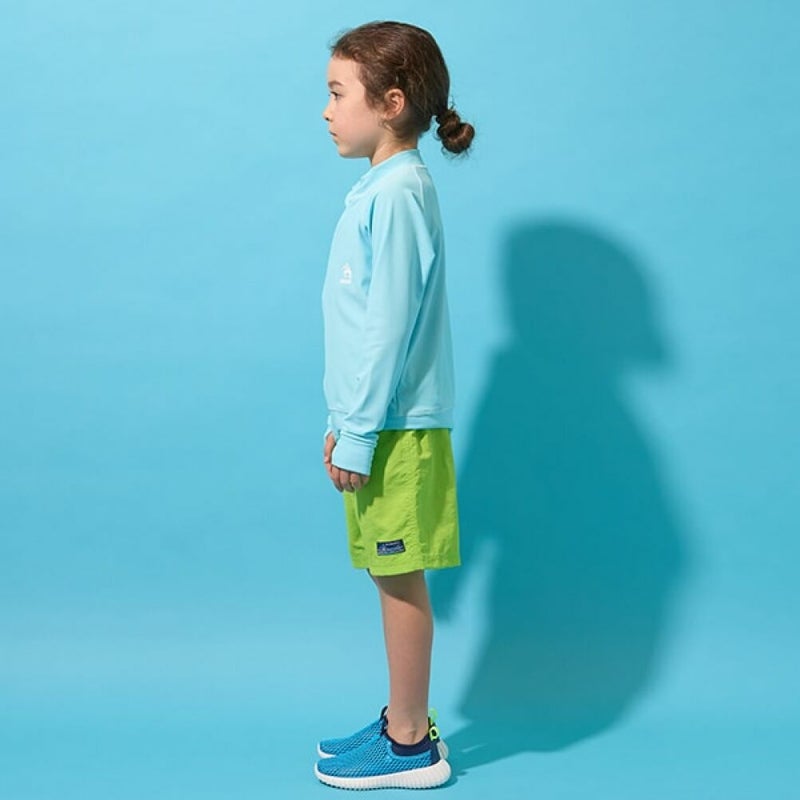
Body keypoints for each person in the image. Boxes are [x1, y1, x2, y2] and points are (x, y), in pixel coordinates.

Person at [313, 20, 475, 791]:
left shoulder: (402, 193)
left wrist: (359, 435)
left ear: (392, 103)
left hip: (397, 431)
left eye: (337, 93)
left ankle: (410, 745)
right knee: (389, 573)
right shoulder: (381, 189)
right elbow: (362, 332)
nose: (326, 111)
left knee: (398, 576)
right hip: (380, 426)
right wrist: (344, 424)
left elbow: (387, 328)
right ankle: (400, 720)